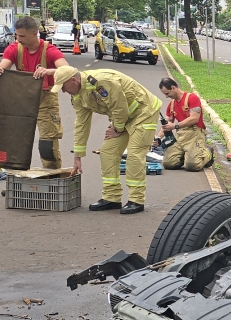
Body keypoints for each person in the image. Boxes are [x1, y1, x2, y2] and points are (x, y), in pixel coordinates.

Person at [51, 65, 161, 215]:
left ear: (73, 80)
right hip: (122, 118)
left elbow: (120, 107)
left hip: (144, 112)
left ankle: (136, 200)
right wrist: (77, 156)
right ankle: (112, 197)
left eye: (63, 87)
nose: (63, 91)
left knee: (134, 155)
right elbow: (81, 124)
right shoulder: (78, 96)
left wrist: (117, 129)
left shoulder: (101, 82)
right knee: (107, 152)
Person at [0, 15, 69, 169]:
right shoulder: (14, 48)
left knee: (47, 144)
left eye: (22, 36)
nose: (18, 39)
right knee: (16, 141)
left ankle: (51, 176)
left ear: (34, 33)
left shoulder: (50, 50)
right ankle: (17, 175)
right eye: (16, 35)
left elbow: (68, 71)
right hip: (22, 100)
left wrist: (48, 71)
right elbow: (2, 69)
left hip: (45, 99)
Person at [157, 76, 212, 171]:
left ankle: (208, 153)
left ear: (173, 88)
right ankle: (187, 156)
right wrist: (158, 138)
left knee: (192, 166)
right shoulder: (172, 104)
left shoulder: (192, 98)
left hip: (194, 134)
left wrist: (175, 126)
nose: (166, 96)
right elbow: (167, 124)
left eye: (167, 93)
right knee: (168, 163)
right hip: (180, 135)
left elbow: (194, 118)